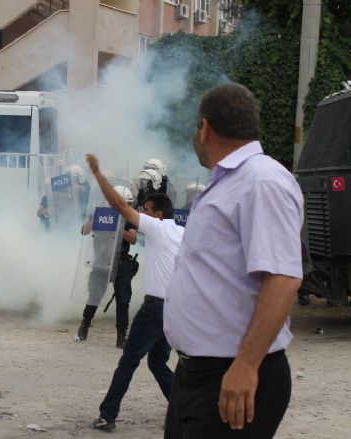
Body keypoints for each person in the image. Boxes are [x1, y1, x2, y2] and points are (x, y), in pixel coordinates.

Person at [163, 83, 304, 438]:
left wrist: (246, 366)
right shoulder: (229, 182)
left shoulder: (261, 181)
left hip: (232, 374)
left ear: (205, 128)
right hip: (196, 375)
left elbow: (283, 279)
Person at [85, 154, 184, 432]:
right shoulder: (182, 233)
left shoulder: (157, 227)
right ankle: (184, 409)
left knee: (129, 360)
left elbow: (118, 205)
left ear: (158, 214)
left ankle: (108, 415)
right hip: (174, 309)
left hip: (155, 308)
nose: (142, 214)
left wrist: (98, 174)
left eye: (147, 210)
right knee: (157, 362)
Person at [76, 185, 139, 349]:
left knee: (123, 300)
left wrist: (119, 228)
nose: (127, 206)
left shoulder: (129, 217)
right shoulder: (100, 212)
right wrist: (98, 220)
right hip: (101, 260)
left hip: (121, 261)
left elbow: (133, 238)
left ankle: (121, 336)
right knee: (94, 296)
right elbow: (84, 230)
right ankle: (84, 325)